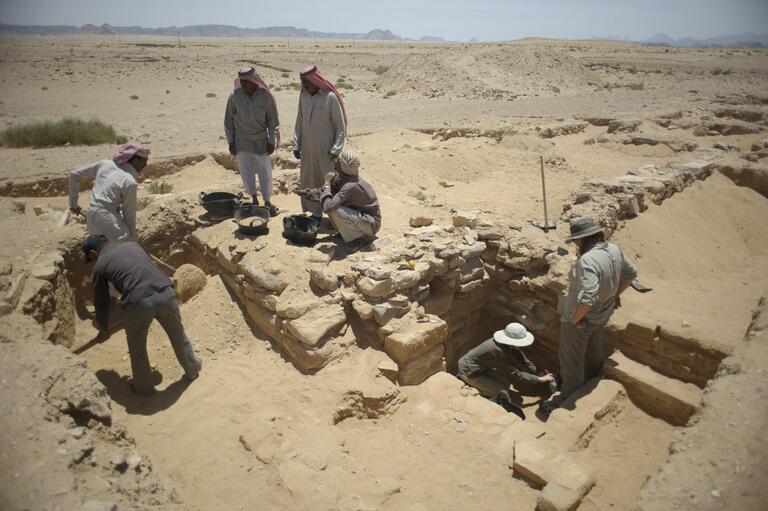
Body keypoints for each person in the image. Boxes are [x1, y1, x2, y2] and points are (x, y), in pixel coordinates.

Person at [538, 217, 638, 419]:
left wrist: (575, 320)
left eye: (576, 241)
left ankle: (565, 397)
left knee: (571, 362)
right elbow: (631, 273)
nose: (576, 245)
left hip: (581, 320)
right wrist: (615, 294)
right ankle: (592, 379)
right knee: (593, 350)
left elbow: (588, 297)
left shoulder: (588, 260)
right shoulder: (614, 250)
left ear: (583, 240)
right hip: (603, 313)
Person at [83, 234, 202, 395]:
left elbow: (101, 301)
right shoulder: (132, 245)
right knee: (177, 333)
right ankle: (192, 368)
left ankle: (143, 386)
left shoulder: (100, 265)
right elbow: (145, 268)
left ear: (92, 254)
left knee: (137, 345)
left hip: (139, 301)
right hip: (166, 291)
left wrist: (103, 328)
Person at [458, 322, 555, 416]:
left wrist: (537, 372)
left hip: (481, 367)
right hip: (469, 371)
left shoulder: (507, 345)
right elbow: (516, 373)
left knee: (506, 383)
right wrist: (540, 379)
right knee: (501, 390)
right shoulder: (499, 350)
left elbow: (523, 359)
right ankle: (469, 384)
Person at [293, 149, 381, 245]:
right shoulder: (342, 178)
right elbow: (324, 193)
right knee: (332, 203)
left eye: (338, 160)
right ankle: (349, 233)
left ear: (343, 166)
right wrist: (304, 192)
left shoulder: (350, 185)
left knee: (334, 209)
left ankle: (360, 238)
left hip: (371, 223)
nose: (334, 161)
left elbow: (327, 207)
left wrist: (327, 183)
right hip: (362, 218)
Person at [224, 66, 281, 216]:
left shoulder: (266, 97)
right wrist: (231, 142)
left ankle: (267, 201)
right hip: (241, 141)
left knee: (265, 173)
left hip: (260, 141)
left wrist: (271, 141)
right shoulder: (234, 96)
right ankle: (254, 199)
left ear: (254, 81)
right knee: (246, 171)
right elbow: (228, 121)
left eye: (246, 82)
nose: (243, 85)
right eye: (241, 82)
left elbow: (272, 121)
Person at [292, 65, 347, 218]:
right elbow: (299, 122)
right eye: (303, 83)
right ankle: (315, 213)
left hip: (326, 150)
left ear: (315, 81)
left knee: (327, 181)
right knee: (308, 179)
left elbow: (340, 126)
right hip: (307, 150)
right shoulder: (303, 97)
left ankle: (333, 215)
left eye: (307, 83)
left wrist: (336, 149)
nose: (305, 86)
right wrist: (296, 144)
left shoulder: (330, 97)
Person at [68, 143, 149, 242]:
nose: (145, 165)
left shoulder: (105, 164)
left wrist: (73, 204)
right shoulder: (129, 182)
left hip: (91, 217)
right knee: (125, 250)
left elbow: (74, 175)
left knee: (105, 251)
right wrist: (133, 241)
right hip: (108, 220)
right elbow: (129, 216)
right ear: (135, 160)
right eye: (144, 161)